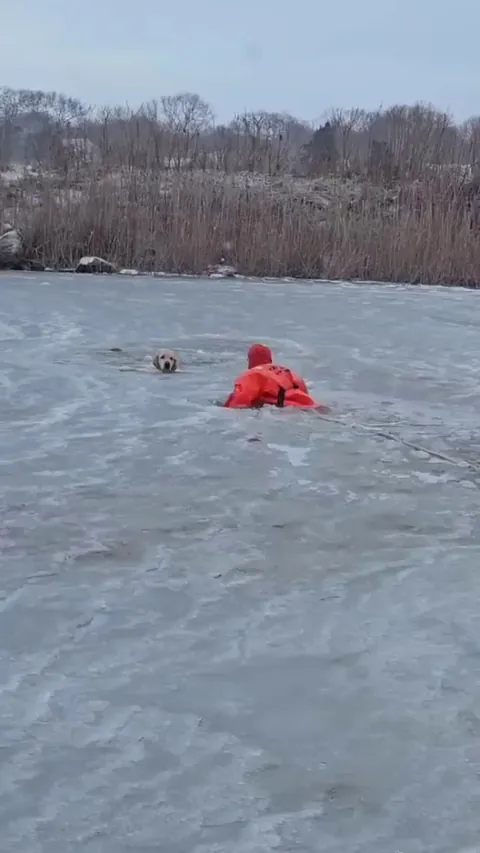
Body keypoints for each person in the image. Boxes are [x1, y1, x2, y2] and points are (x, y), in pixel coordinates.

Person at [223, 343, 330, 411]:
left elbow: (238, 403)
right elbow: (302, 389)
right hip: (311, 405)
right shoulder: (286, 370)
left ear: (250, 360)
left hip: (289, 412)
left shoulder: (252, 375)